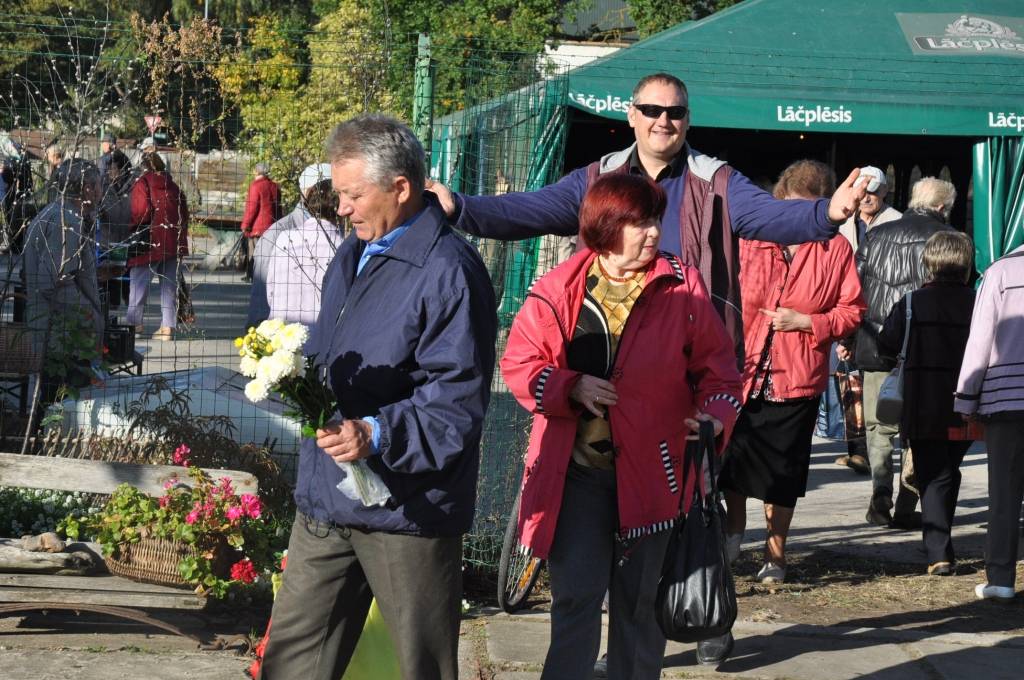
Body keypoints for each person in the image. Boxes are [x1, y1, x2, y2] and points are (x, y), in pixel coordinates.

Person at [258, 115, 497, 680]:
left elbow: (455, 406)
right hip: (329, 495)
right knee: (290, 663)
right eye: (339, 194)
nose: (341, 208)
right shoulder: (355, 253)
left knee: (421, 668)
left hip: (407, 509)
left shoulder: (451, 273)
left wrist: (377, 433)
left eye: (352, 194)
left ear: (401, 188)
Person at [429, 73, 867, 363]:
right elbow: (531, 209)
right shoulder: (598, 178)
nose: (664, 120)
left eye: (675, 112)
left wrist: (827, 212)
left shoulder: (716, 182)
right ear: (632, 115)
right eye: (653, 111)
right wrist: (461, 207)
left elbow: (772, 216)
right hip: (603, 346)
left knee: (676, 494)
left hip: (684, 353)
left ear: (687, 120)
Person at [500, 173, 743, 679]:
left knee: (639, 609)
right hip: (576, 478)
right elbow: (521, 365)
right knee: (575, 603)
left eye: (654, 219)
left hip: (656, 476)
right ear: (606, 226)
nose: (652, 231)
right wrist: (570, 387)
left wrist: (714, 418)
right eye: (638, 221)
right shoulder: (558, 288)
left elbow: (720, 370)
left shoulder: (684, 285)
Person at [718, 160, 865, 584]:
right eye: (788, 209)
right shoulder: (751, 238)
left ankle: (775, 554)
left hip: (795, 375)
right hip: (741, 370)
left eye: (807, 211)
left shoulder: (834, 248)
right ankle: (732, 534)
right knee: (734, 462)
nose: (795, 221)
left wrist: (808, 323)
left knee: (782, 473)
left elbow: (852, 310)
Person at [844, 177, 958, 529]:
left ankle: (881, 494)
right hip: (928, 350)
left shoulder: (877, 235)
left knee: (880, 428)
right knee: (919, 428)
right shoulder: (947, 241)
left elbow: (854, 289)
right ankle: (908, 503)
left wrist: (848, 338)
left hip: (878, 343)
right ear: (942, 208)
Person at [876, 231, 975, 576]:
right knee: (948, 468)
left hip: (923, 400)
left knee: (935, 472)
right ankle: (940, 545)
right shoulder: (978, 300)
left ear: (929, 262)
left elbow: (885, 344)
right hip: (967, 399)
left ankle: (939, 552)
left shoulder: (912, 301)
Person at [954, 243, 1024, 601]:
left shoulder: (1000, 273)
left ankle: (1001, 579)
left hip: (1006, 398)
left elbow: (979, 339)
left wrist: (966, 395)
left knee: (1004, 493)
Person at [22, 159, 104, 394]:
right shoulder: (66, 221)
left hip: (58, 333)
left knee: (52, 405)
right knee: (62, 408)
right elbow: (53, 282)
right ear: (87, 188)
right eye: (98, 185)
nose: (101, 191)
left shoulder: (57, 213)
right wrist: (87, 314)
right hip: (63, 338)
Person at [247, 162, 332, 328]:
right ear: (311, 193)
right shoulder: (276, 237)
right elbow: (260, 302)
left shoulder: (344, 232)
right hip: (287, 343)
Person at [125, 151, 189, 341]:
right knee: (169, 285)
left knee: (138, 282)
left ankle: (134, 324)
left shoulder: (142, 183)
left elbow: (141, 212)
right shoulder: (175, 187)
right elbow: (184, 215)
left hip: (150, 240)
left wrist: (131, 225)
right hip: (172, 240)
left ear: (143, 167)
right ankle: (167, 327)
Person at [265, 178, 341, 325]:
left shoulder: (284, 238)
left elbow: (270, 291)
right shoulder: (341, 247)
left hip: (280, 334)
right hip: (322, 336)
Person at [838, 165, 902, 252]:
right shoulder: (843, 220)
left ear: (885, 190)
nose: (865, 199)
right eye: (861, 192)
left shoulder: (898, 221)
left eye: (872, 192)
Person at [239, 162, 281, 283]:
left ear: (256, 172)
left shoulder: (255, 186)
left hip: (257, 227)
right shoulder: (275, 186)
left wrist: (245, 225)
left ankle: (253, 275)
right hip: (272, 226)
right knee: (267, 254)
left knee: (254, 253)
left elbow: (252, 208)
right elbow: (278, 208)